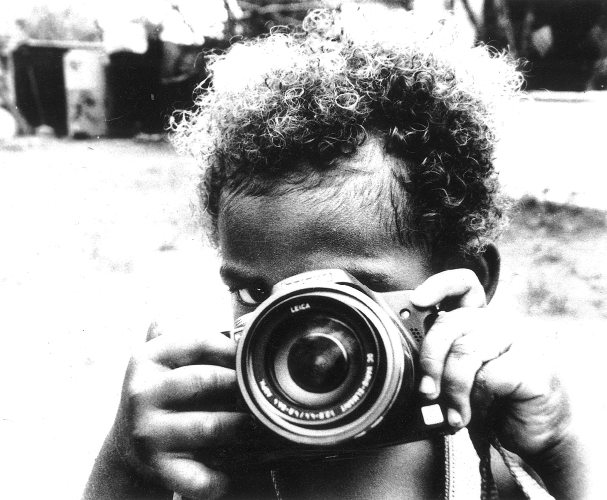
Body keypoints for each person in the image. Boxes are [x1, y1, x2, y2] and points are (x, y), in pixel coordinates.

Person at [84, 9, 593, 500]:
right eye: (252, 292)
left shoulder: (488, 444)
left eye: (350, 292)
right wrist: (126, 467)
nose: (302, 334)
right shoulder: (209, 452)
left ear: (466, 280)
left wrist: (560, 447)